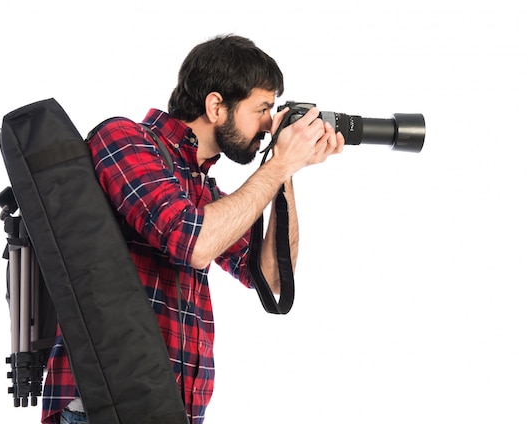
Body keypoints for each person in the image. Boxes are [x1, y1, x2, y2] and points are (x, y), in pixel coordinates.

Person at [41, 34, 344, 424]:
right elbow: (193, 242)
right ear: (216, 105)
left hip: (170, 410)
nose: (269, 124)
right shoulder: (124, 139)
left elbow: (271, 278)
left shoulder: (203, 190)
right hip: (108, 407)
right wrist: (280, 164)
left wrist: (286, 168)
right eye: (262, 109)